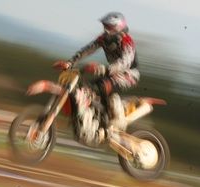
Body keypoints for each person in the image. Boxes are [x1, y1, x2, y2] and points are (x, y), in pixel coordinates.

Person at [54, 12, 140, 143]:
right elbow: (87, 50)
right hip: (111, 73)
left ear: (118, 27)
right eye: (105, 26)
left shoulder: (127, 41)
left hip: (128, 75)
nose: (106, 29)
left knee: (101, 87)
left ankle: (117, 120)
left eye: (109, 27)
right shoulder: (103, 39)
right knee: (86, 88)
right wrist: (70, 62)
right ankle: (95, 119)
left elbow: (125, 62)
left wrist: (102, 69)